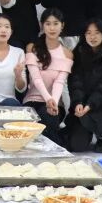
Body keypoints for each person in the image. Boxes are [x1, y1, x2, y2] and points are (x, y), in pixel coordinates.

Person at [66, 19, 102, 153]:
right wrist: (78, 102)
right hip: (83, 105)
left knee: (100, 115)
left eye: (97, 32)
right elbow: (75, 82)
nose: (92, 37)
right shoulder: (79, 53)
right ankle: (85, 129)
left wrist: (90, 105)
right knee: (76, 146)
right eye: (88, 33)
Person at [23, 10, 74, 145]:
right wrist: (48, 99)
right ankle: (58, 146)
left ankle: (54, 146)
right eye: (48, 24)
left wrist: (53, 102)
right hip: (32, 101)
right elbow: (36, 79)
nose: (52, 28)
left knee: (49, 116)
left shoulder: (67, 54)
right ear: (42, 25)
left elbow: (59, 82)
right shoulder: (32, 48)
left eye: (56, 23)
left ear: (62, 25)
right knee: (40, 120)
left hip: (56, 104)